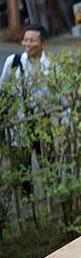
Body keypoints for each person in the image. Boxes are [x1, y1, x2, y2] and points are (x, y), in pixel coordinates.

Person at [0, 24, 51, 194]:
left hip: (42, 121)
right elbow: (3, 89)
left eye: (32, 40)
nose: (27, 44)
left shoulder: (50, 67)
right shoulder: (13, 62)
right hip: (19, 122)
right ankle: (27, 199)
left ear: (43, 43)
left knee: (47, 160)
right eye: (25, 40)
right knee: (23, 166)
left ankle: (51, 194)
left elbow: (58, 95)